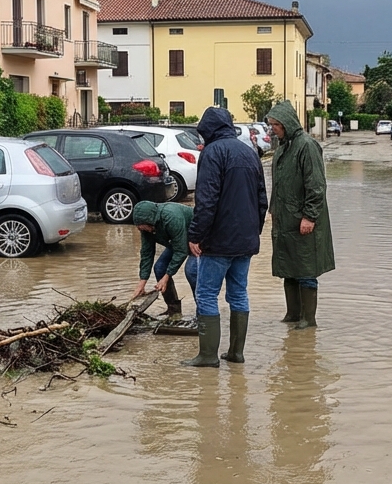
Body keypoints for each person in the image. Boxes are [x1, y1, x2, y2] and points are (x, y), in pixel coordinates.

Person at [184, 106, 268, 367]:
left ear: (208, 130)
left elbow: (206, 200)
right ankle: (235, 353)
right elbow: (262, 199)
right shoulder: (249, 151)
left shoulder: (212, 152)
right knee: (239, 293)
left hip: (218, 241)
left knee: (207, 294)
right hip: (245, 241)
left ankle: (208, 356)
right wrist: (254, 232)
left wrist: (196, 234)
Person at [264, 101, 335, 329]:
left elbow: (316, 186)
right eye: (271, 124)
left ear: (286, 124)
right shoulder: (284, 148)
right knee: (288, 267)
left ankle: (308, 319)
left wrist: (310, 217)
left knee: (305, 269)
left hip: (303, 220)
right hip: (284, 220)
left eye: (275, 124)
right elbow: (278, 184)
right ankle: (292, 314)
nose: (272, 128)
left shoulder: (307, 146)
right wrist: (273, 210)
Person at [130, 200, 197, 317]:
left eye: (141, 226)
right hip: (176, 242)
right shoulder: (146, 229)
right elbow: (147, 253)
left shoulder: (171, 217)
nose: (139, 229)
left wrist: (166, 277)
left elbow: (181, 251)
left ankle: (202, 313)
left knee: (191, 271)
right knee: (159, 268)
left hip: (196, 241)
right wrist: (142, 282)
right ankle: (174, 309)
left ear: (150, 221)